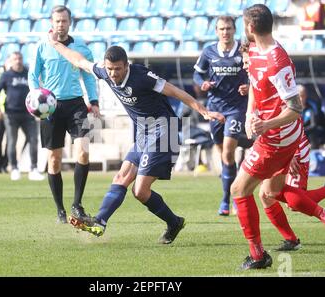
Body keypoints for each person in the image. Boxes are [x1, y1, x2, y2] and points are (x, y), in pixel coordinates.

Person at [46, 37, 225, 243]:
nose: (113, 74)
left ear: (126, 65)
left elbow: (174, 91)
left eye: (118, 69)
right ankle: (100, 222)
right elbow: (79, 62)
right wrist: (57, 45)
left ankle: (173, 222)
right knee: (121, 178)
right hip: (144, 132)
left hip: (164, 130)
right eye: (110, 69)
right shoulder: (105, 72)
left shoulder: (142, 76)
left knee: (139, 190)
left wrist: (203, 111)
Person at [231, 4, 325, 270]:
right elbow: (253, 83)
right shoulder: (253, 50)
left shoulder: (277, 61)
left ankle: (258, 255)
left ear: (250, 27)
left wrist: (265, 124)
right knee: (271, 192)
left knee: (239, 190)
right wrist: (251, 114)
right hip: (282, 137)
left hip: (276, 139)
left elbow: (296, 108)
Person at [28, 5, 101, 223]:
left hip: (76, 105)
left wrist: (93, 100)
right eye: (57, 21)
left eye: (64, 21)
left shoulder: (81, 47)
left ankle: (77, 205)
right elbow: (33, 75)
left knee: (84, 152)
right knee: (54, 160)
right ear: (52, 23)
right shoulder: (42, 47)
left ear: (70, 22)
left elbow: (88, 75)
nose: (61, 24)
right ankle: (60, 209)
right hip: (50, 107)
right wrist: (35, 98)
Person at [193, 16, 249, 216]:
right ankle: (246, 145)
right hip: (215, 108)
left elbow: (256, 73)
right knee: (222, 151)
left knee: (226, 152)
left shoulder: (244, 50)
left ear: (235, 30)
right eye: (221, 29)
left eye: (228, 28)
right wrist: (203, 83)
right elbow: (197, 74)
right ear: (216, 31)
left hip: (236, 108)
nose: (225, 32)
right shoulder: (208, 51)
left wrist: (249, 86)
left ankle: (228, 199)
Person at [0, 51, 44, 181]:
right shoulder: (6, 75)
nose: (18, 61)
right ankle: (14, 168)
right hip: (11, 115)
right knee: (12, 141)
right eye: (15, 59)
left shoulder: (29, 73)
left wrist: (40, 110)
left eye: (20, 58)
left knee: (34, 140)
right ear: (11, 61)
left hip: (28, 114)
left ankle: (34, 169)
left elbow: (38, 91)